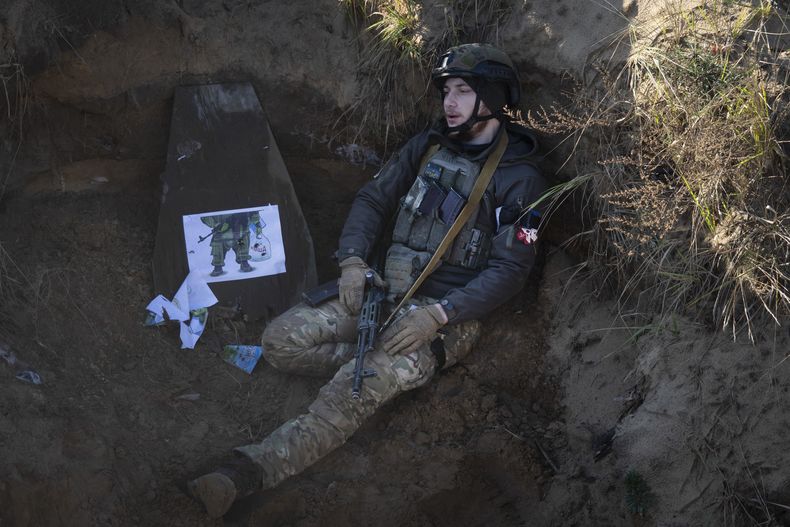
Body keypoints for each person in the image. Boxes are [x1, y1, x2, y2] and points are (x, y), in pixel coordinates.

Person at [187, 42, 548, 518]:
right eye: (446, 91)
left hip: (441, 316)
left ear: (493, 97)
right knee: (279, 343)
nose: (449, 102)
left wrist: (440, 316)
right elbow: (374, 199)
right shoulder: (427, 147)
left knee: (346, 394)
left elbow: (510, 270)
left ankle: (242, 475)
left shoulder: (520, 180)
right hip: (381, 291)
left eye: (463, 91)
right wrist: (354, 261)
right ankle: (378, 372)